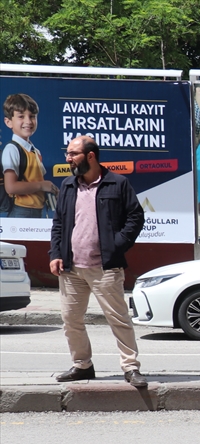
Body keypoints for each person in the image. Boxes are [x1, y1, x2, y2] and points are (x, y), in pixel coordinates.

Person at [48, 136, 146, 387]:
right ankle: (82, 366)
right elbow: (58, 223)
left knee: (119, 319)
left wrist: (117, 244)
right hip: (71, 268)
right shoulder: (68, 185)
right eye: (67, 154)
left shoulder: (117, 183)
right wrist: (55, 254)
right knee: (71, 320)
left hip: (106, 267)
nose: (68, 159)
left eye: (73, 154)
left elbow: (135, 216)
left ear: (90, 156)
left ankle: (130, 367)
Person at [2, 93, 56, 218]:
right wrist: (42, 185)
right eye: (21, 116)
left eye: (32, 116)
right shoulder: (12, 149)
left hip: (37, 210)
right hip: (22, 211)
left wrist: (50, 189)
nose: (28, 121)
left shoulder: (35, 151)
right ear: (8, 122)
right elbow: (11, 187)